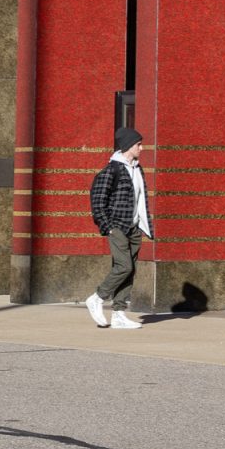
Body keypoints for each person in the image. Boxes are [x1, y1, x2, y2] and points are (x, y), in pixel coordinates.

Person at [86, 126, 150, 329]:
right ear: (128, 146)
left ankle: (119, 314)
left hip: (133, 227)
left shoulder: (137, 169)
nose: (141, 147)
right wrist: (108, 227)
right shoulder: (112, 170)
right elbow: (98, 200)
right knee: (124, 266)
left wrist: (142, 225)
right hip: (118, 227)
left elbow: (140, 199)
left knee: (129, 271)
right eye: (138, 144)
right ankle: (97, 297)